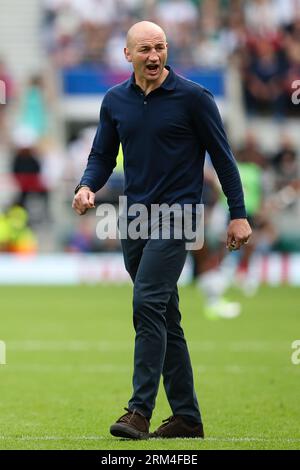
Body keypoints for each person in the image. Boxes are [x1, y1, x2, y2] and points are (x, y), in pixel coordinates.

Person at [72, 21, 251, 440]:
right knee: (165, 317)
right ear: (127, 55)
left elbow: (224, 159)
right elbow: (101, 155)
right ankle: (187, 418)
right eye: (146, 49)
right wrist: (85, 186)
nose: (154, 56)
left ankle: (139, 411)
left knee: (147, 303)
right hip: (134, 220)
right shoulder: (114, 101)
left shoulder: (194, 98)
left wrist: (238, 212)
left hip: (180, 216)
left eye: (161, 47)